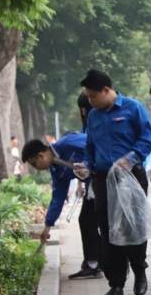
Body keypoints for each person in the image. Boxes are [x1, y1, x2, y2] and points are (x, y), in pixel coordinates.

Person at [77, 69, 151, 295]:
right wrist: (86, 165)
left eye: (93, 96)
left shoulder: (133, 108)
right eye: (88, 97)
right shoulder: (93, 116)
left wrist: (128, 159)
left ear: (107, 90)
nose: (90, 101)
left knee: (133, 226)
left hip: (131, 176)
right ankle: (116, 283)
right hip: (103, 179)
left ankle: (140, 271)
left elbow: (146, 140)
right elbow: (90, 147)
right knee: (108, 230)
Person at [22, 103, 102, 280]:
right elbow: (58, 197)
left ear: (41, 155)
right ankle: (93, 263)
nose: (38, 169)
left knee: (101, 222)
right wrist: (47, 225)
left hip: (106, 179)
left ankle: (102, 260)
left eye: (35, 164)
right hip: (93, 187)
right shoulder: (56, 170)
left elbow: (96, 144)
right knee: (86, 219)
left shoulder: (68, 143)